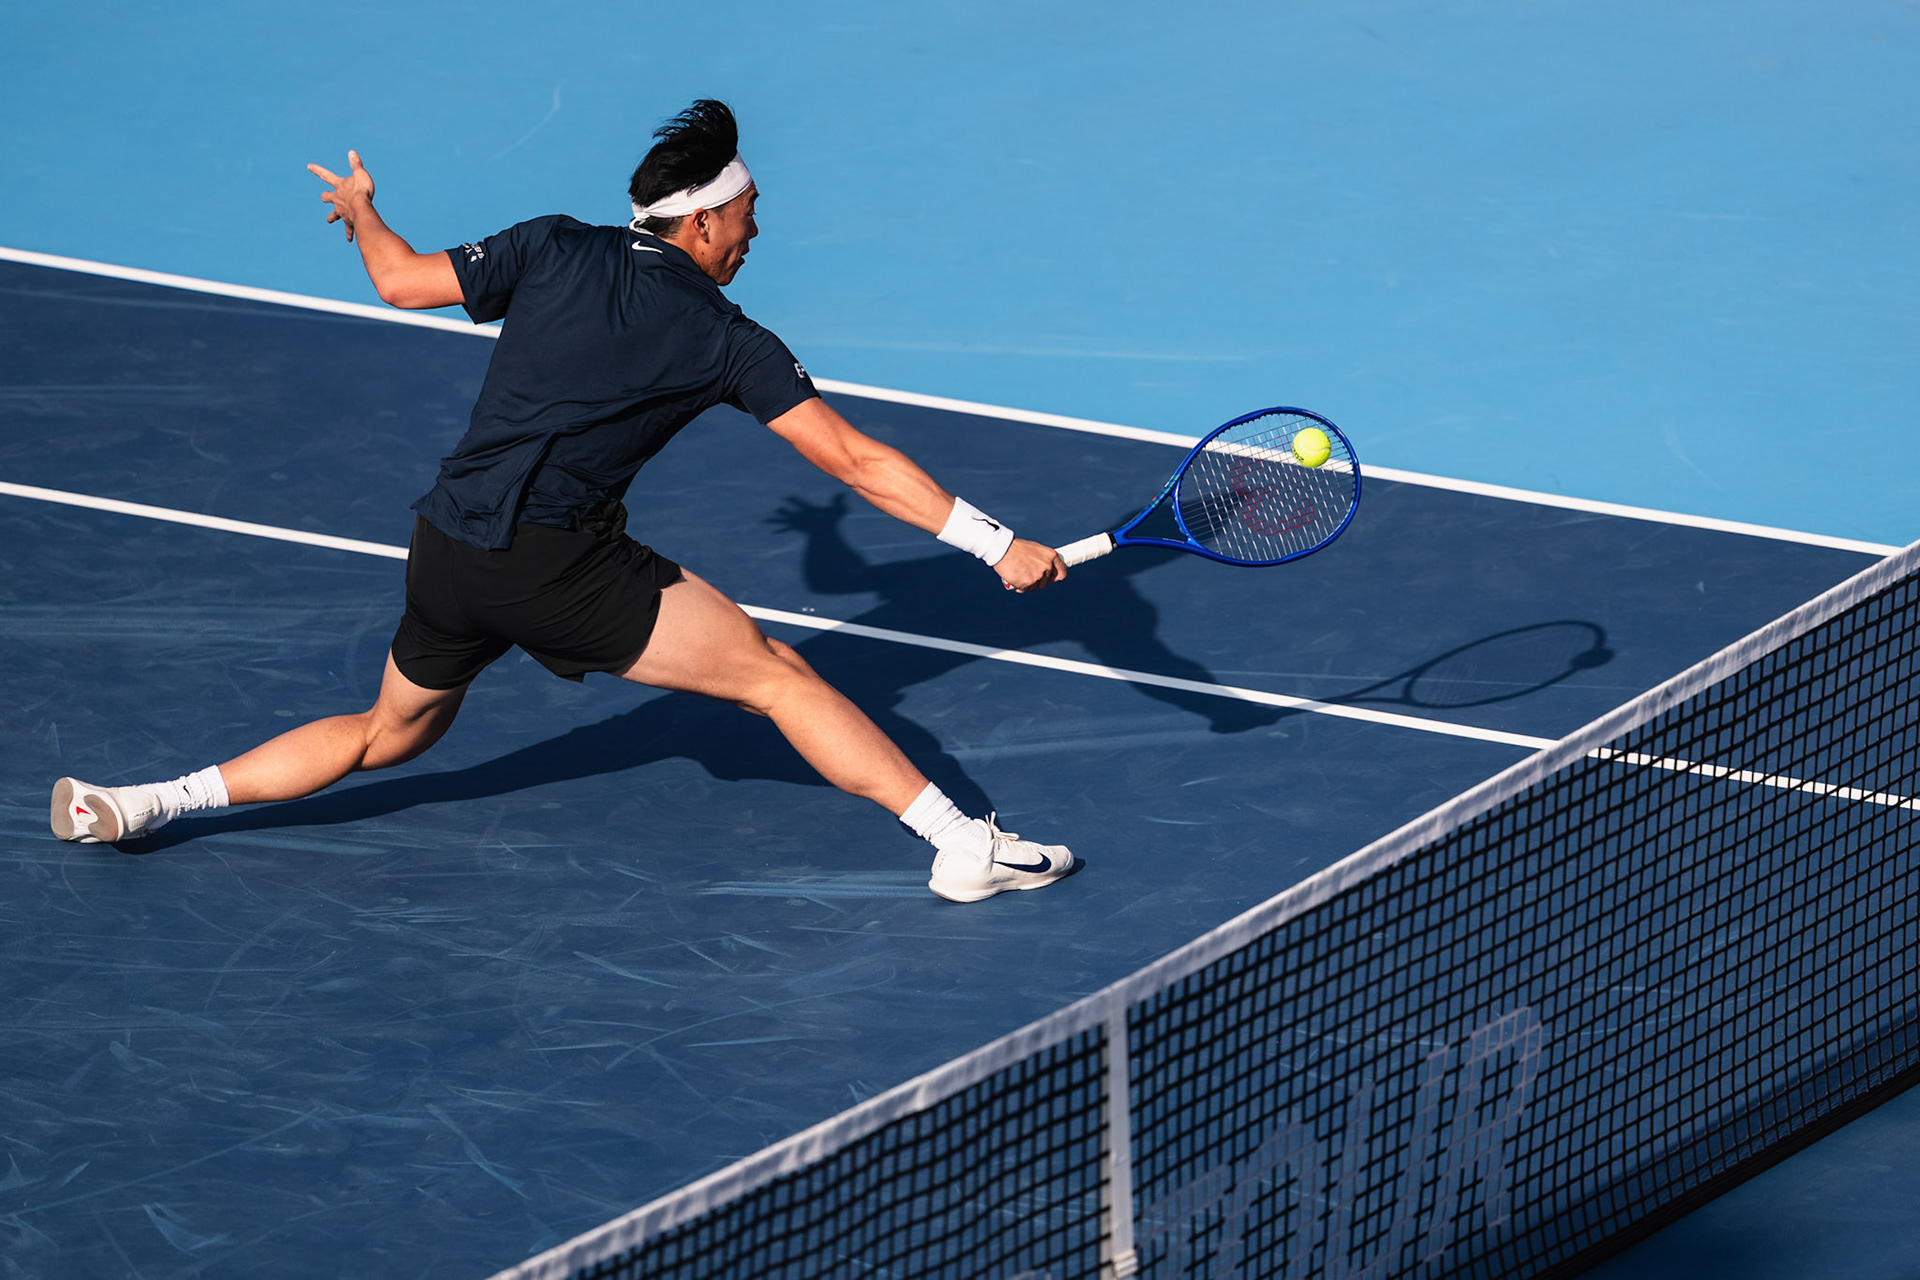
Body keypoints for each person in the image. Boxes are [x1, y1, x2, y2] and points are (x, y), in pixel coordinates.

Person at [49, 99, 1074, 905]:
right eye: (749, 220)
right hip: (556, 567)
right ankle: (961, 845)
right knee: (777, 677)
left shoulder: (550, 245)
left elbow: (400, 282)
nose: (754, 237)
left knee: (388, 730)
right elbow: (852, 458)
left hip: (448, 545)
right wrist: (993, 542)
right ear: (705, 219)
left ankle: (147, 802)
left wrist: (363, 214)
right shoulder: (726, 338)